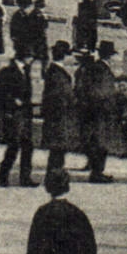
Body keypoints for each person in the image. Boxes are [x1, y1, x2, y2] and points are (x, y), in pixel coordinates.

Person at [80, 41, 121, 183]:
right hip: (101, 111)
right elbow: (99, 91)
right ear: (109, 55)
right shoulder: (100, 68)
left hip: (101, 110)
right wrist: (106, 104)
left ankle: (98, 171)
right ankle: (97, 173)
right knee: (100, 142)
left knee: (100, 142)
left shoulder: (99, 67)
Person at [0, 50, 36, 187]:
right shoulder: (7, 72)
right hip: (14, 114)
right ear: (24, 56)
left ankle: (25, 177)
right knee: (14, 146)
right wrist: (12, 101)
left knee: (28, 146)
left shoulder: (25, 70)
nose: (32, 60)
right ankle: (3, 174)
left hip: (25, 114)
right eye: (30, 56)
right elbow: (0, 92)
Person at [41, 41, 80, 174]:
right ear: (65, 56)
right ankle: (54, 172)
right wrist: (73, 101)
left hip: (57, 115)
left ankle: (55, 170)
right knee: (58, 146)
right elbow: (62, 94)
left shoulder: (54, 71)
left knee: (58, 147)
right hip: (59, 115)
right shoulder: (57, 73)